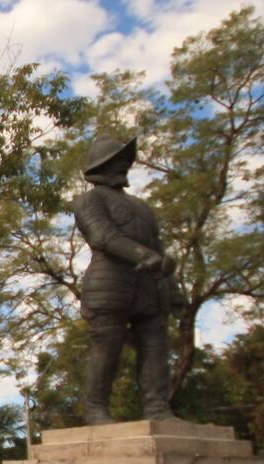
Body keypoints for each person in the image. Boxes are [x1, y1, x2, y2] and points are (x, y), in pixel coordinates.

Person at [71, 135, 184, 425]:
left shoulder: (142, 207)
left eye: (124, 160)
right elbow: (102, 236)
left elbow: (158, 246)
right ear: (101, 165)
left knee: (155, 344)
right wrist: (144, 256)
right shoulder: (89, 200)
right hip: (110, 281)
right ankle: (96, 409)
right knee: (107, 345)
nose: (122, 165)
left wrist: (174, 291)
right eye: (115, 160)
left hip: (150, 285)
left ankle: (158, 408)